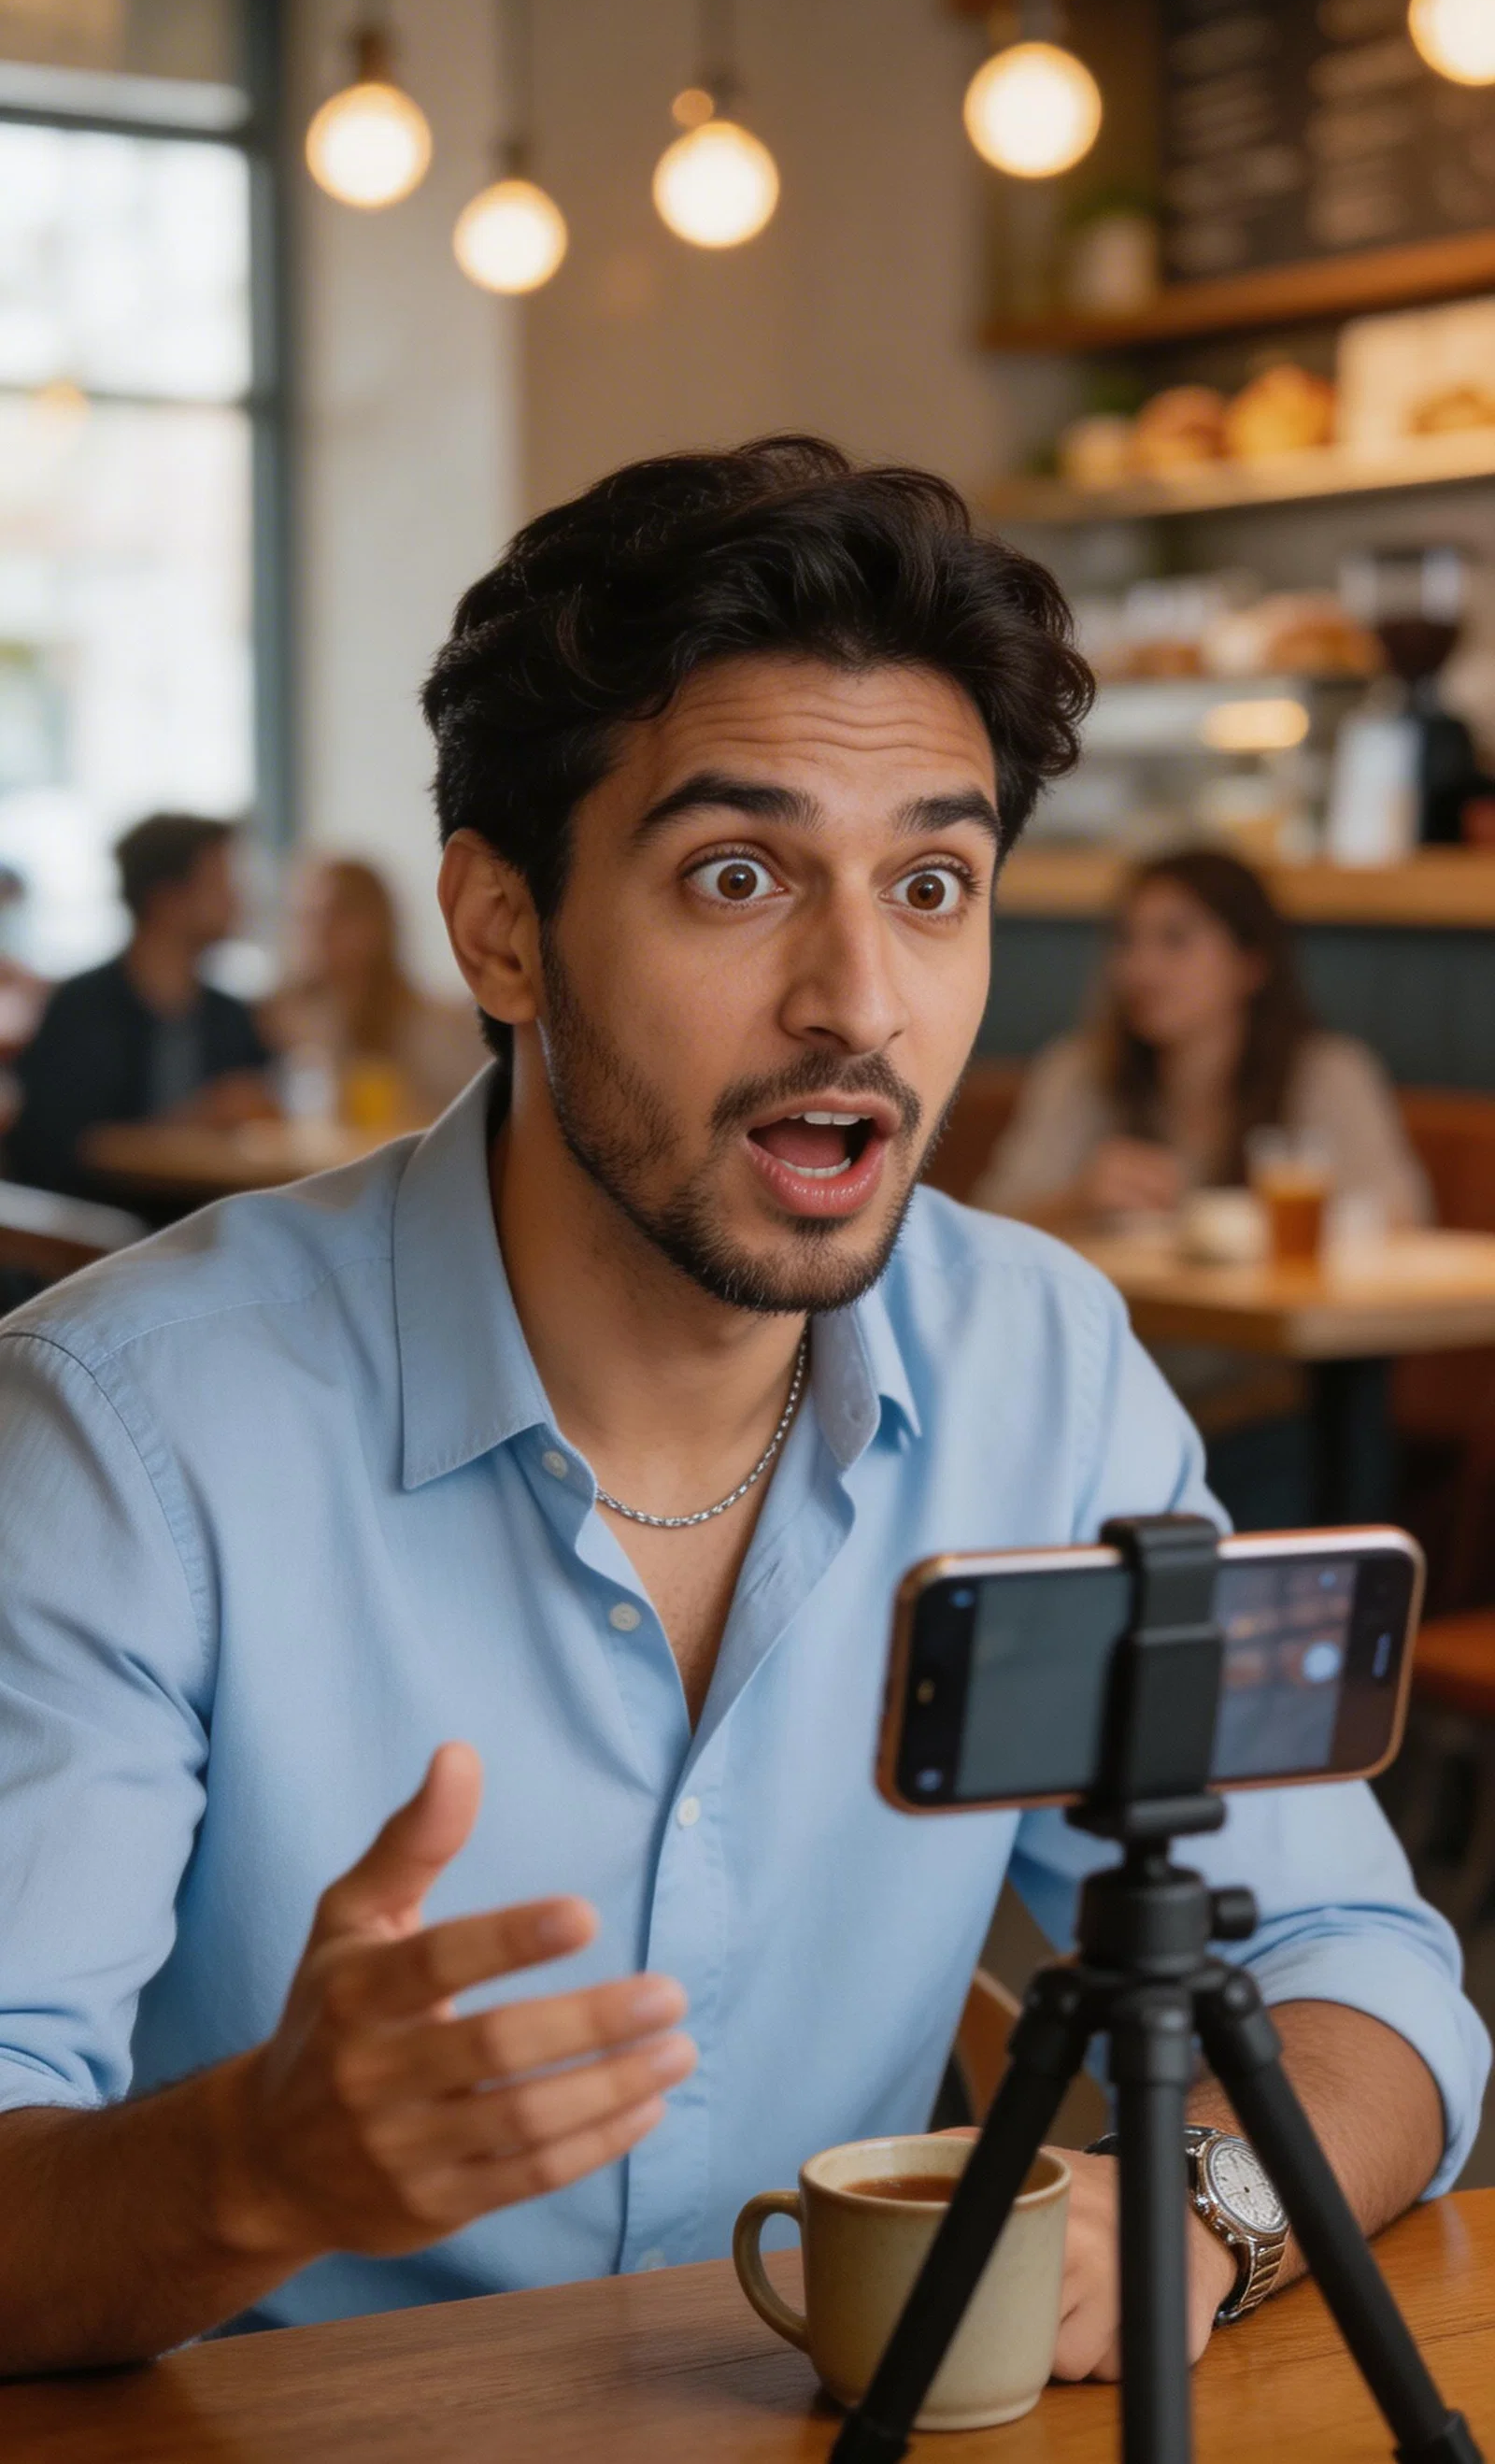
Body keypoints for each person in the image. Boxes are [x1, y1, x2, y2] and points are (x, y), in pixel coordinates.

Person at [0, 441, 1483, 2381]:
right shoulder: (130, 1433)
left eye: (932, 885)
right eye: (735, 875)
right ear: (501, 928)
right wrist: (256, 2168)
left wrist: (1188, 2216)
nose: (856, 998)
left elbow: (1360, 1973)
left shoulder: (1037, 1372)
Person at [975, 849, 1431, 1524]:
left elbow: (1401, 1220)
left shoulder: (1324, 1074)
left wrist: (1255, 1229)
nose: (1141, 968)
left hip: (1255, 1409)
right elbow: (984, 1232)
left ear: (1252, 963)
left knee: (1332, 1419)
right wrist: (1078, 1198)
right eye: (1127, 942)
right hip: (1102, 1408)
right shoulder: (1081, 1075)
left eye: (1175, 940)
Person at [4, 813, 276, 1202]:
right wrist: (195, 1120)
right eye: (220, 883)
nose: (238, 898)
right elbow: (54, 1147)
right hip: (102, 1237)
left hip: (205, 1224)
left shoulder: (229, 1015)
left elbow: (265, 1111)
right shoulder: (83, 1009)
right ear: (166, 899)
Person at [263, 855, 485, 1123]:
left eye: (335, 916)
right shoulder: (280, 1021)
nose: (317, 933)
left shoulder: (432, 1025)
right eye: (305, 917)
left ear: (375, 925)